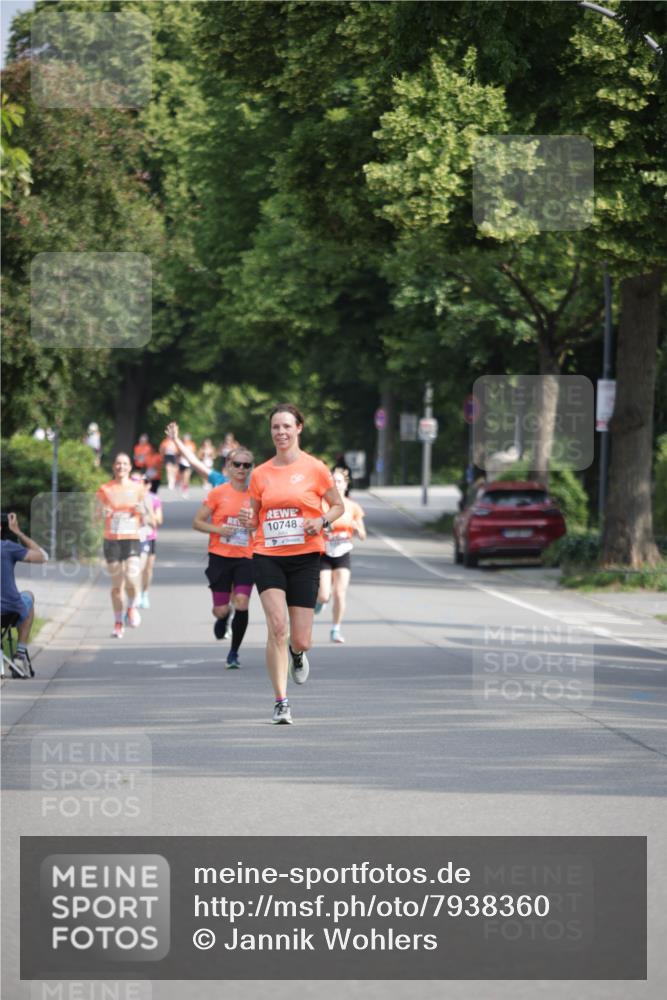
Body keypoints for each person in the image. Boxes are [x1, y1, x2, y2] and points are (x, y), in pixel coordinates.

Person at [237, 404, 344, 724]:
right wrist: (246, 519)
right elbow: (253, 519)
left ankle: (297, 654)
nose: (280, 432)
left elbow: (337, 506)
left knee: (301, 639)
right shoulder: (260, 474)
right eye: (275, 427)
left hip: (306, 557)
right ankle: (280, 701)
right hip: (267, 555)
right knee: (276, 627)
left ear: (299, 428)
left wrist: (322, 521)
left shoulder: (315, 468)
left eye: (286, 426)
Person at [192, 447, 255, 669]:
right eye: (237, 464)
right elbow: (197, 522)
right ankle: (222, 617)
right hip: (219, 555)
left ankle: (234, 652)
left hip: (246, 556)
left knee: (242, 601)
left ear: (250, 469)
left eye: (246, 465)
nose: (241, 469)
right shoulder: (218, 493)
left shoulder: (256, 496)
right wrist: (219, 530)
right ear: (228, 466)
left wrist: (251, 524)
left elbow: (261, 525)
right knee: (220, 608)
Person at [96, 453, 155, 638]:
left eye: (125, 464)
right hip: (111, 540)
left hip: (131, 539)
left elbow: (152, 520)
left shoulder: (138, 489)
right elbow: (93, 518)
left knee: (131, 577)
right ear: (113, 467)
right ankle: (118, 622)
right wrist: (101, 513)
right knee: (116, 587)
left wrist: (142, 512)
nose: (121, 467)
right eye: (118, 463)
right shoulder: (105, 489)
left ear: (130, 467)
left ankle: (131, 606)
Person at [315, 467, 366, 643]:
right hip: (324, 552)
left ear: (345, 485)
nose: (336, 484)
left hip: (343, 553)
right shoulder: (322, 504)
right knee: (323, 594)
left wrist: (356, 528)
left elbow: (363, 534)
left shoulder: (353, 507)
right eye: (333, 481)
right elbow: (314, 525)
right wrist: (324, 530)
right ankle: (320, 602)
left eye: (339, 481)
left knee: (339, 593)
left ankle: (336, 629)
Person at [1, 512, 48, 674]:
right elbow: (43, 557)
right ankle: (20, 655)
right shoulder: (7, 547)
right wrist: (17, 532)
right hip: (8, 612)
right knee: (28, 596)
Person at [166, 422, 228, 488]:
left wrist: (211, 456)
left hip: (209, 463)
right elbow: (193, 460)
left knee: (186, 476)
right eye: (236, 464)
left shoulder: (193, 445)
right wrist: (176, 440)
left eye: (240, 463)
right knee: (183, 476)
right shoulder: (221, 480)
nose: (240, 468)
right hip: (190, 462)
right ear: (229, 466)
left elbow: (214, 455)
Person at [137, 475, 163, 609]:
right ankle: (135, 594)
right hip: (133, 537)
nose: (141, 484)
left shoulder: (154, 499)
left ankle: (144, 593)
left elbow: (158, 521)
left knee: (147, 568)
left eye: (144, 482)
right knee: (137, 567)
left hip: (149, 536)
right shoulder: (129, 499)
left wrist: (149, 510)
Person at [178, 433, 196, 497]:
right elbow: (178, 453)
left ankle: (185, 491)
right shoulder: (181, 444)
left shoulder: (192, 444)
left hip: (189, 463)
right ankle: (183, 488)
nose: (186, 439)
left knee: (186, 477)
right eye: (185, 438)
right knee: (182, 478)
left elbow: (193, 453)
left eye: (187, 438)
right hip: (182, 462)